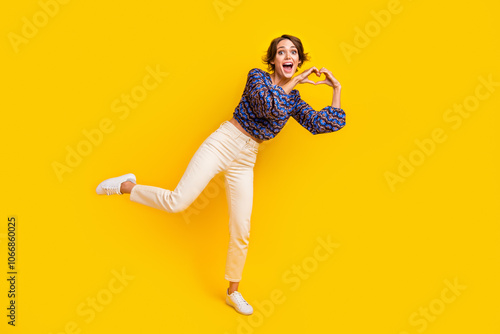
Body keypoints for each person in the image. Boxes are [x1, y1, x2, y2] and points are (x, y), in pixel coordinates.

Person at [95, 34, 346, 315]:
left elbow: (320, 124)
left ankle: (233, 292)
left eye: (293, 53)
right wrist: (295, 81)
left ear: (299, 60)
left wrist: (336, 90)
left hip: (247, 156)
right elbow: (268, 105)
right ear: (273, 60)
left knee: (242, 228)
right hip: (223, 141)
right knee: (179, 201)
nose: (287, 56)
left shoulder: (295, 100)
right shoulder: (257, 78)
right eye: (281, 52)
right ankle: (126, 186)